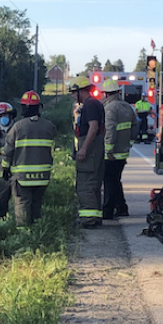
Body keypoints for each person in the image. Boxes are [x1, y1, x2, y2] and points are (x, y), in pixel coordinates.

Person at [2, 91, 57, 227]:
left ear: (24, 108)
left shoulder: (17, 127)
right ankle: (37, 227)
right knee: (37, 202)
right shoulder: (49, 126)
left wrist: (5, 168)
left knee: (22, 203)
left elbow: (8, 150)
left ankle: (24, 233)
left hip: (22, 177)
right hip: (43, 176)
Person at [69, 75, 105, 228]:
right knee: (94, 185)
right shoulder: (94, 104)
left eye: (73, 92)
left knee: (86, 184)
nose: (72, 96)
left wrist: (83, 148)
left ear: (80, 91)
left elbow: (93, 127)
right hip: (95, 148)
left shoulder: (90, 105)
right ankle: (95, 217)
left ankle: (88, 220)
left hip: (90, 149)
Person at [102, 79, 138, 219]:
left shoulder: (110, 108)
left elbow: (110, 130)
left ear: (106, 94)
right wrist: (129, 142)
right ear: (118, 92)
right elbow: (135, 126)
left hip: (112, 153)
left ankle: (108, 210)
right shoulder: (127, 107)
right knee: (115, 180)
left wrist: (108, 150)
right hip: (123, 151)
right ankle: (122, 207)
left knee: (109, 181)